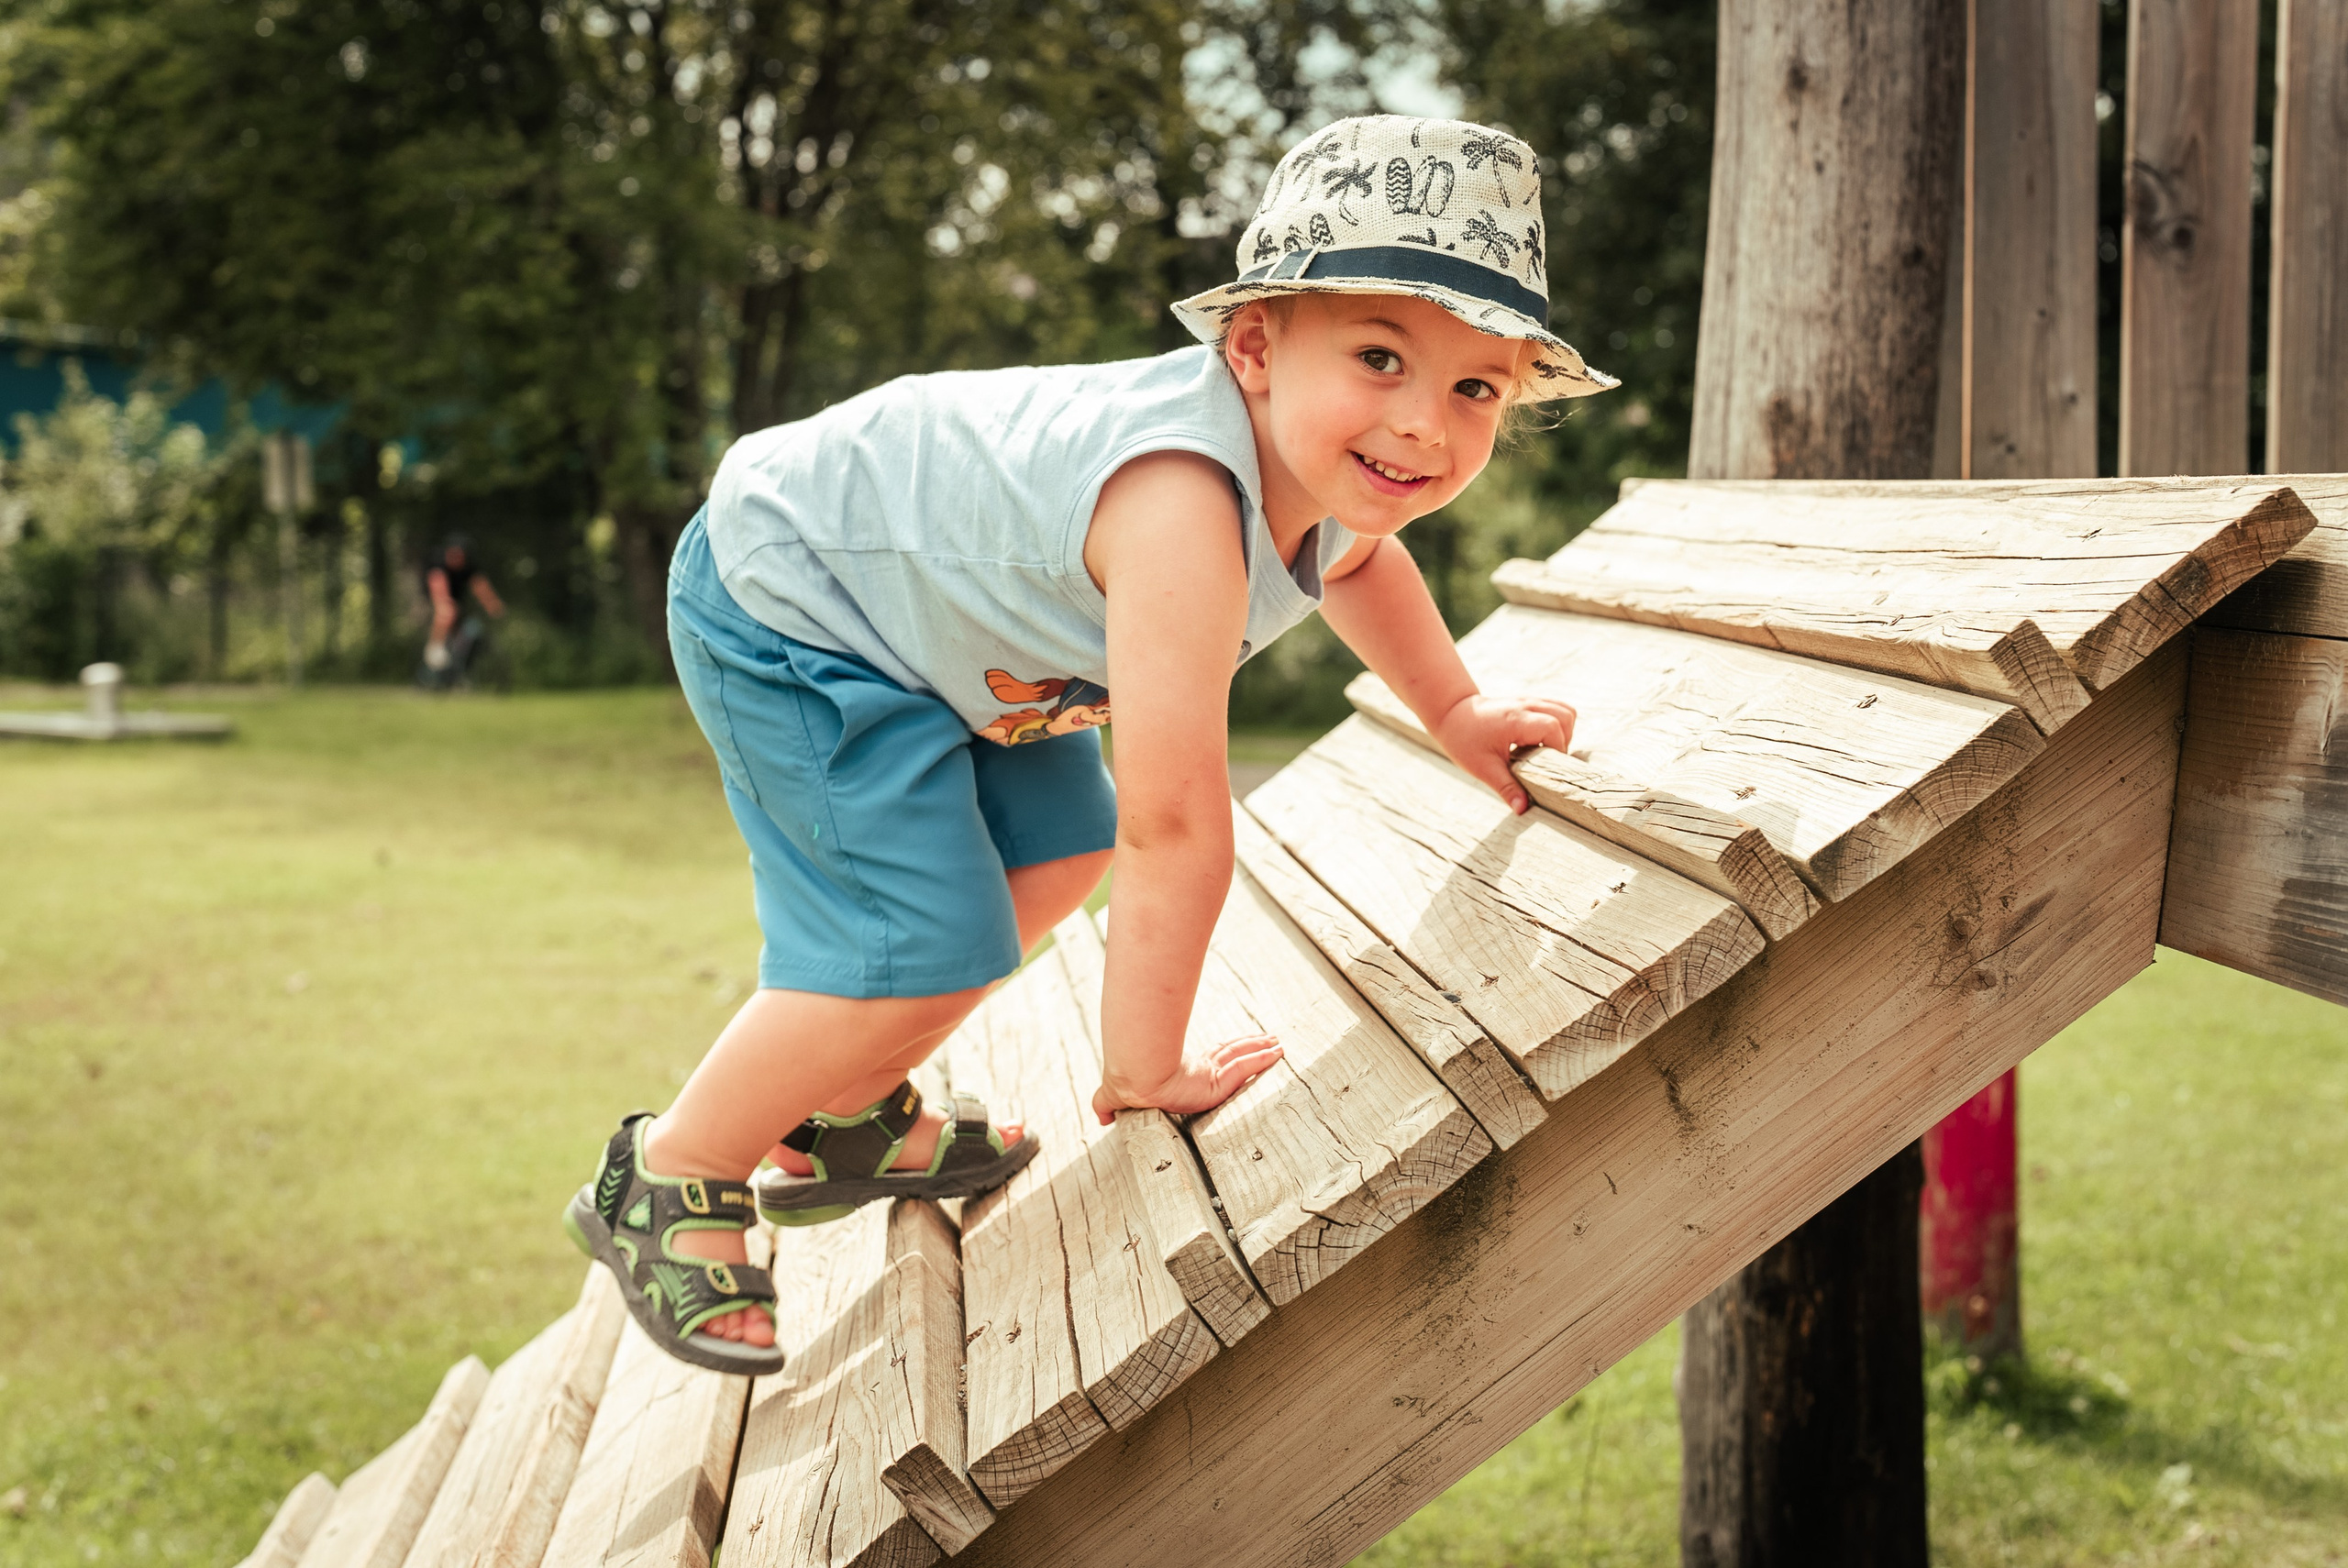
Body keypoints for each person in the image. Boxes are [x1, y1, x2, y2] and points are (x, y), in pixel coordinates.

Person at [562, 115, 1616, 1373]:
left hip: (939, 631)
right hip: (800, 596)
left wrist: (1455, 709)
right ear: (1257, 345)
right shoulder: (1181, 502)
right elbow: (1173, 823)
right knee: (908, 942)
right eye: (1381, 356)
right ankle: (674, 1167)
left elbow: (1363, 566)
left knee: (1054, 855)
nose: (1426, 426)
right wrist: (1146, 1064)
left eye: (1474, 387)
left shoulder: (1314, 483)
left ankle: (835, 1107)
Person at [418, 535, 505, 687]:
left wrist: (493, 606)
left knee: (470, 634)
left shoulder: (469, 566)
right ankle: (434, 649)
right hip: (433, 601)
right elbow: (439, 589)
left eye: (460, 556)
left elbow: (481, 587)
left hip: (457, 603)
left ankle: (459, 672)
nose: (456, 559)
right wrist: (444, 606)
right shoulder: (437, 562)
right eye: (453, 555)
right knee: (447, 610)